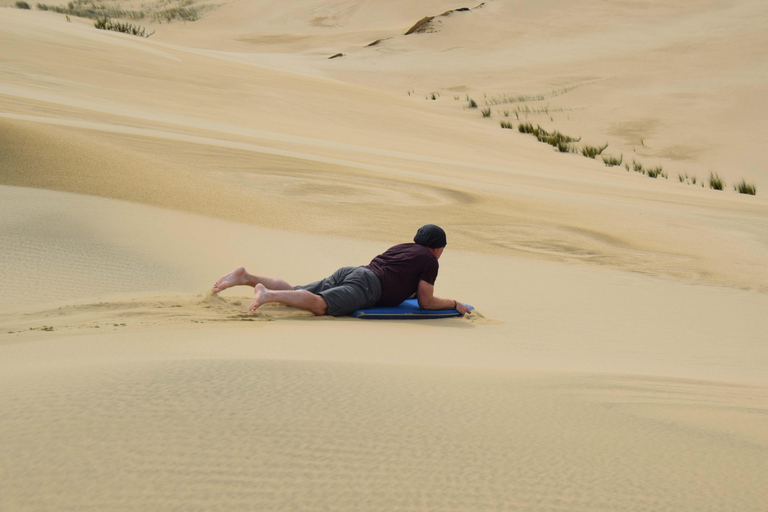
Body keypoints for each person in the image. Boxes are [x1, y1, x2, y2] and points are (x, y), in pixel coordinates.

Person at [211, 224, 471, 317]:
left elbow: (405, 284)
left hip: (353, 271)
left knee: (296, 291)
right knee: (321, 305)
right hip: (368, 286)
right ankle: (267, 294)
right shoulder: (430, 260)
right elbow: (426, 302)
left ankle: (245, 277)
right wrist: (454, 303)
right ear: (438, 248)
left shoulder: (404, 248)